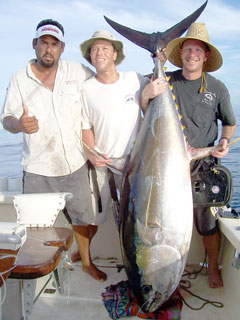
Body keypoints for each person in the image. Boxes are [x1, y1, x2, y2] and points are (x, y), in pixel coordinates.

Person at [0, 19, 109, 282]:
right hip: (38, 169)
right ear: (34, 45)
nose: (48, 49)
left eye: (54, 44)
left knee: (86, 221)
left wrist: (143, 84)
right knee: (37, 229)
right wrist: (19, 125)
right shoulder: (19, 78)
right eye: (44, 43)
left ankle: (85, 261)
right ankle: (42, 270)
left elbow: (105, 81)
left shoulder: (77, 71)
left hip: (75, 164)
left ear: (62, 47)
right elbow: (6, 119)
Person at [68, 30, 168, 270]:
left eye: (104, 48)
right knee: (90, 218)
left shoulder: (135, 80)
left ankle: (135, 262)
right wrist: (91, 153)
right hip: (104, 166)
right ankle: (85, 259)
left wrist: (159, 63)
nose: (99, 52)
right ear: (90, 56)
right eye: (94, 49)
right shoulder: (86, 89)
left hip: (136, 166)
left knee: (138, 221)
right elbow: (85, 126)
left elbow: (155, 102)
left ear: (115, 54)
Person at [161, 22, 236, 288]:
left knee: (207, 224)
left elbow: (229, 122)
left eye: (198, 50)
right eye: (188, 48)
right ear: (181, 53)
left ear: (206, 57)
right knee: (165, 221)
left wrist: (225, 140)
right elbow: (145, 105)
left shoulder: (217, 87)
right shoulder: (166, 82)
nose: (192, 54)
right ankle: (168, 270)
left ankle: (213, 267)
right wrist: (154, 72)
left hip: (204, 166)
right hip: (169, 166)